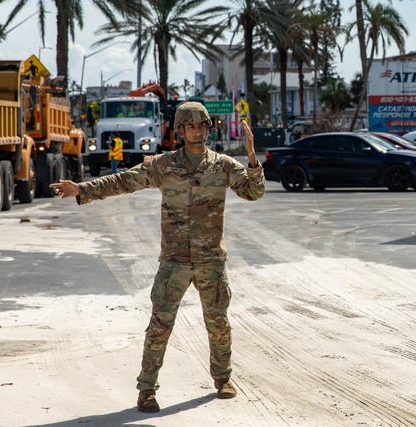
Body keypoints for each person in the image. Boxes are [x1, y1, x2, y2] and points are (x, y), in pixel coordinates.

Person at [50, 102, 264, 413]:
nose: (197, 131)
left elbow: (254, 192)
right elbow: (123, 181)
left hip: (210, 261)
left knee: (218, 322)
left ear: (208, 128)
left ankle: (223, 379)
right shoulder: (163, 166)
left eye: (201, 125)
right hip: (174, 261)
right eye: (190, 126)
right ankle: (147, 389)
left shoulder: (223, 166)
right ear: (180, 130)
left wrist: (252, 155)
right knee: (160, 325)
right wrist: (82, 189)